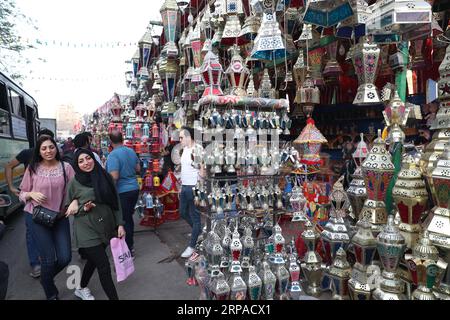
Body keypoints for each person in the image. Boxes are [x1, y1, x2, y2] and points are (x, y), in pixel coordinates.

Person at [19, 135, 75, 300]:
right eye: (44, 148)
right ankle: (51, 293)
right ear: (39, 151)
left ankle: (45, 278)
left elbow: (76, 189)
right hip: (36, 216)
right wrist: (30, 194)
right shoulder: (33, 168)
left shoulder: (66, 168)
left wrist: (76, 202)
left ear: (56, 148)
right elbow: (21, 194)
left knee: (65, 257)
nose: (48, 151)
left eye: (51, 147)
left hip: (59, 216)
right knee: (49, 259)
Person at [65, 149, 125, 300]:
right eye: (81, 161)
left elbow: (115, 201)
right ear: (76, 165)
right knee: (103, 266)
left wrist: (120, 224)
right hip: (86, 229)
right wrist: (82, 207)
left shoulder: (105, 177)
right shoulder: (74, 183)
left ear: (93, 158)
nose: (86, 163)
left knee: (93, 261)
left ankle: (81, 287)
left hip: (105, 227)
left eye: (88, 158)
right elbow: (69, 209)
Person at [3, 127, 55, 278]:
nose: (46, 149)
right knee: (32, 233)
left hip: (50, 202)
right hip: (31, 200)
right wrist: (12, 187)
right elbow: (9, 166)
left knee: (48, 230)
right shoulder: (28, 153)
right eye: (42, 142)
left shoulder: (55, 156)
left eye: (49, 144)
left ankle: (44, 260)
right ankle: (36, 264)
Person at [106, 131, 140, 256]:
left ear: (110, 141)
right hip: (134, 189)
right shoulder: (131, 151)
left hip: (122, 191)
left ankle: (128, 248)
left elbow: (114, 176)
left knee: (124, 220)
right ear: (122, 138)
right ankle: (128, 246)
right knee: (128, 218)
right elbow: (138, 169)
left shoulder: (113, 155)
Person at [178, 126, 204, 258]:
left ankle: (192, 245)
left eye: (182, 137)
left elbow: (202, 169)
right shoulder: (185, 150)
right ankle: (197, 231)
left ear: (189, 137)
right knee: (182, 212)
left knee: (195, 216)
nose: (180, 139)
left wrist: (200, 187)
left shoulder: (197, 149)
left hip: (194, 187)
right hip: (185, 186)